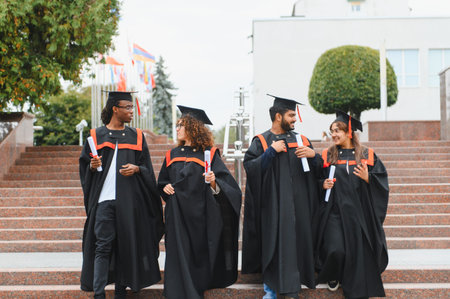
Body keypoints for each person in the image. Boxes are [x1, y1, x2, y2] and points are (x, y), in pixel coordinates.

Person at [79, 91, 164, 298]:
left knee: (126, 247)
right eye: (127, 107)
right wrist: (92, 165)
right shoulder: (95, 136)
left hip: (129, 203)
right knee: (102, 247)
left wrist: (137, 169)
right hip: (104, 202)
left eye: (132, 107)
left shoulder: (136, 136)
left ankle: (120, 292)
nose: (131, 111)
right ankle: (99, 294)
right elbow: (85, 167)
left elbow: (147, 169)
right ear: (115, 109)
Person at [158, 105, 242, 299]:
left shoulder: (209, 154)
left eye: (181, 125)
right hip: (177, 216)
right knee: (177, 255)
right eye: (177, 125)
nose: (177, 128)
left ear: (193, 127)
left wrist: (213, 181)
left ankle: (196, 290)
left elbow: (229, 188)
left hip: (201, 215)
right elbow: (162, 181)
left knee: (198, 254)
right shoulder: (171, 155)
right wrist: (165, 187)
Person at [242, 95, 320, 299]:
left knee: (297, 247)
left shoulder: (301, 140)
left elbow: (319, 172)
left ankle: (295, 286)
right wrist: (270, 152)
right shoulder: (261, 141)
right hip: (273, 209)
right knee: (275, 247)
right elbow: (250, 168)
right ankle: (271, 291)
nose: (295, 119)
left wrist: (314, 156)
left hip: (299, 209)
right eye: (291, 115)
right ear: (278, 116)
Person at [315, 110, 389, 299]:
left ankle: (354, 286)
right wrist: (321, 184)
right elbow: (314, 180)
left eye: (337, 130)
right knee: (335, 249)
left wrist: (368, 179)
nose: (333, 134)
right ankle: (332, 274)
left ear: (349, 132)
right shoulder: (327, 155)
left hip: (358, 213)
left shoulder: (366, 154)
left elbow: (382, 182)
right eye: (332, 131)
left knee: (357, 252)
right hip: (334, 212)